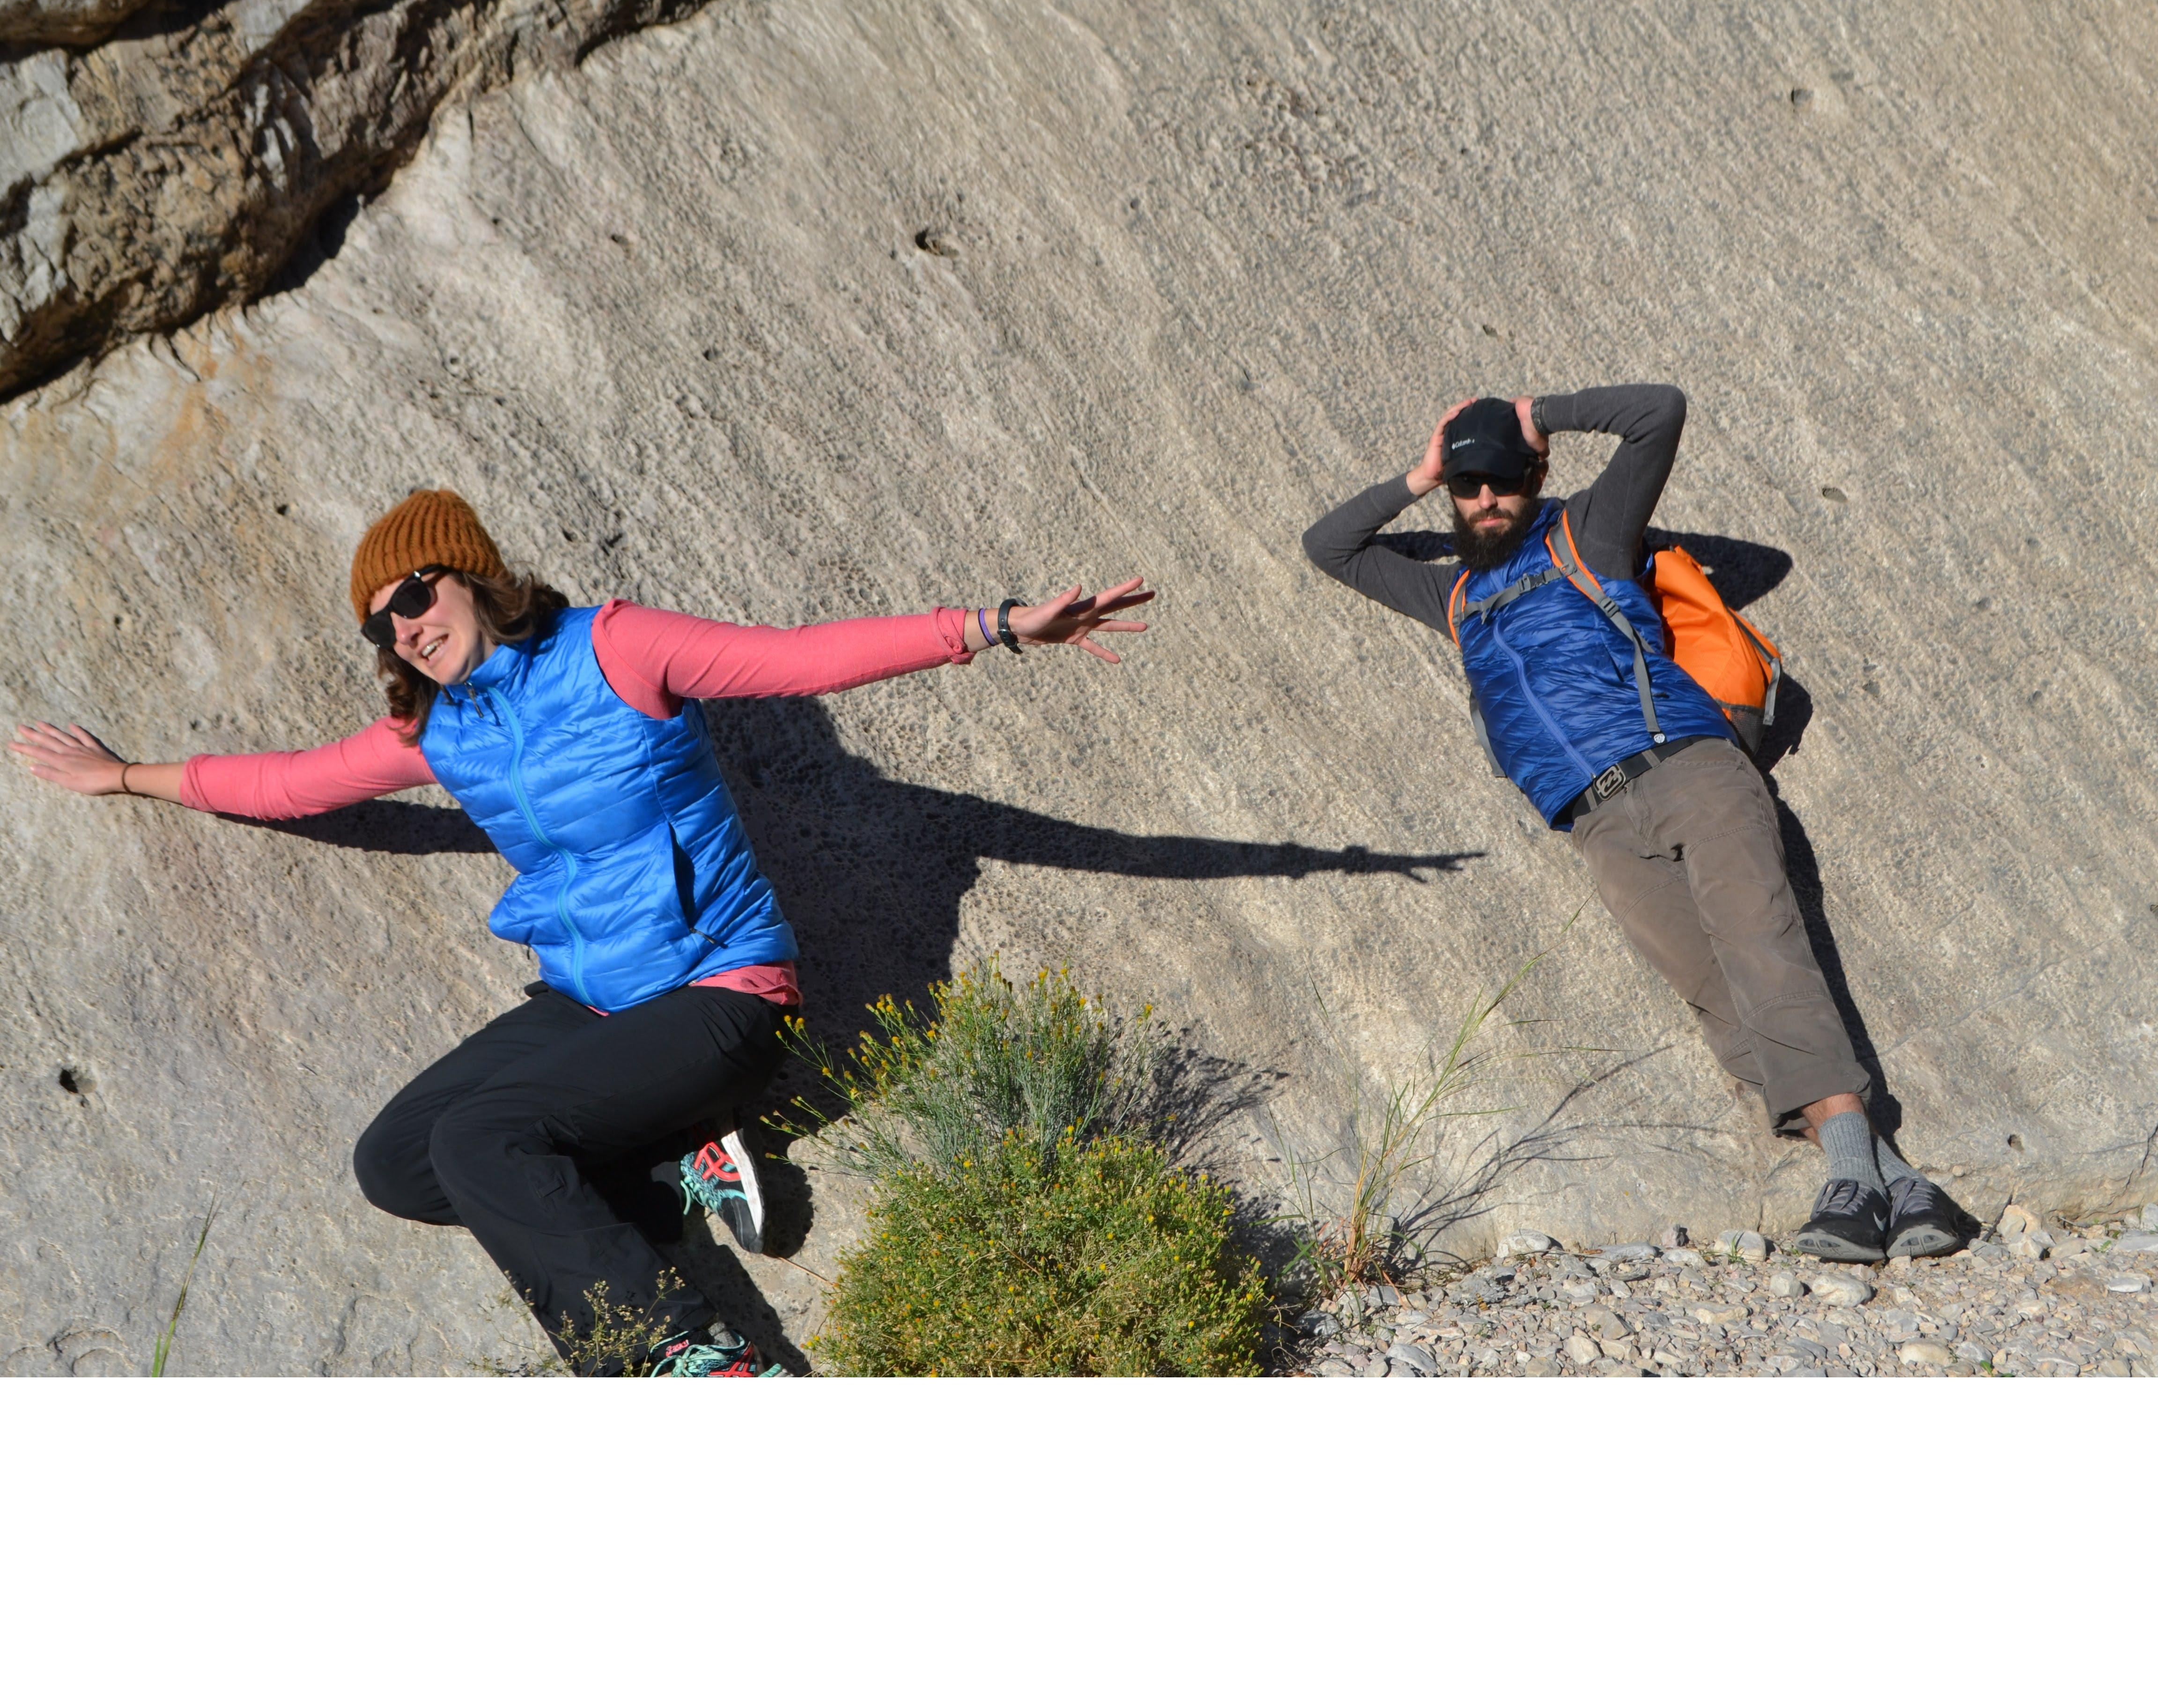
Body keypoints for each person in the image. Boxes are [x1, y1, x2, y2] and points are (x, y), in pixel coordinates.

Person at [12, 489, 1152, 1374]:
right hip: (593, 1007)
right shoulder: (440, 729)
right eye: (381, 622)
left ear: (468, 573)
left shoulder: (614, 647)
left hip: (721, 992)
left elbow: (803, 656)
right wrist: (125, 778)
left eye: (415, 596)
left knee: (484, 1145)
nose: (404, 628)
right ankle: (675, 1154)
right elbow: (296, 782)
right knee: (400, 1164)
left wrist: (997, 626)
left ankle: (682, 1355)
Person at [1302, 385, 1964, 1266]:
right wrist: (1419, 476)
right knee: (1719, 996)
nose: (1485, 500)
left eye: (1501, 480)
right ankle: (1902, 1185)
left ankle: (1847, 1184)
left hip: (1690, 771)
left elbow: (1660, 412)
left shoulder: (1591, 532)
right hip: (1598, 822)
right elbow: (1329, 546)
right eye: (1469, 487)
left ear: (1535, 475)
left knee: (1762, 948)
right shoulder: (1449, 595)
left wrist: (1542, 412)